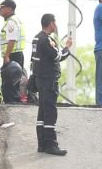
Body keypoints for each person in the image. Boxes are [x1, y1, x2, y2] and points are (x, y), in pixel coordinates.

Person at [31, 13, 73, 155]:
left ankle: (41, 144)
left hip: (40, 79)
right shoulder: (46, 40)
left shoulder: (36, 38)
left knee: (42, 111)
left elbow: (34, 60)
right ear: (51, 24)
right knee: (49, 112)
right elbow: (57, 57)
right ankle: (50, 145)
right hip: (48, 80)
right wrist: (67, 48)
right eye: (55, 22)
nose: (56, 25)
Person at [0, 0, 26, 103]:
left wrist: (6, 56)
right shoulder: (15, 20)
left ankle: (11, 104)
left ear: (9, 9)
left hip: (12, 55)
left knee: (9, 82)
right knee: (14, 81)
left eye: (2, 7)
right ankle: (14, 102)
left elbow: (12, 39)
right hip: (16, 54)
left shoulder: (11, 22)